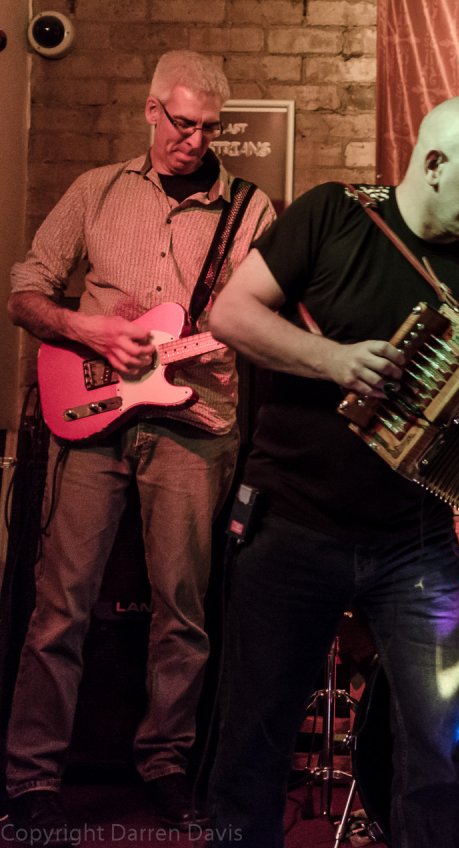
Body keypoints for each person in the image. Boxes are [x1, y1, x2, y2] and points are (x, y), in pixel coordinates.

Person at [204, 95, 459, 848]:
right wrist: (333, 360)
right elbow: (232, 314)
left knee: (442, 750)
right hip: (291, 525)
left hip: (416, 543)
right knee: (254, 744)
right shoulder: (333, 214)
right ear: (434, 163)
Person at [4, 50, 275, 840]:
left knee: (182, 611)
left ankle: (165, 763)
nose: (196, 140)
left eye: (211, 128)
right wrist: (88, 329)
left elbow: (272, 315)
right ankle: (31, 776)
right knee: (61, 604)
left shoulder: (252, 209)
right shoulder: (97, 190)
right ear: (152, 111)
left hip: (197, 423)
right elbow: (25, 289)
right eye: (183, 123)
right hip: (91, 415)